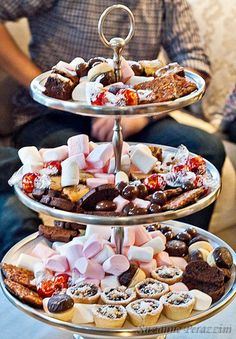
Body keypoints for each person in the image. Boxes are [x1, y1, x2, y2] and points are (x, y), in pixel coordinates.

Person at [0, 0, 225, 259]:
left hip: (135, 113)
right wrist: (48, 85)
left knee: (206, 146)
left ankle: (172, 254)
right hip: (54, 116)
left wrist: (141, 116)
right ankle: (82, 265)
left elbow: (195, 63)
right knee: (77, 172)